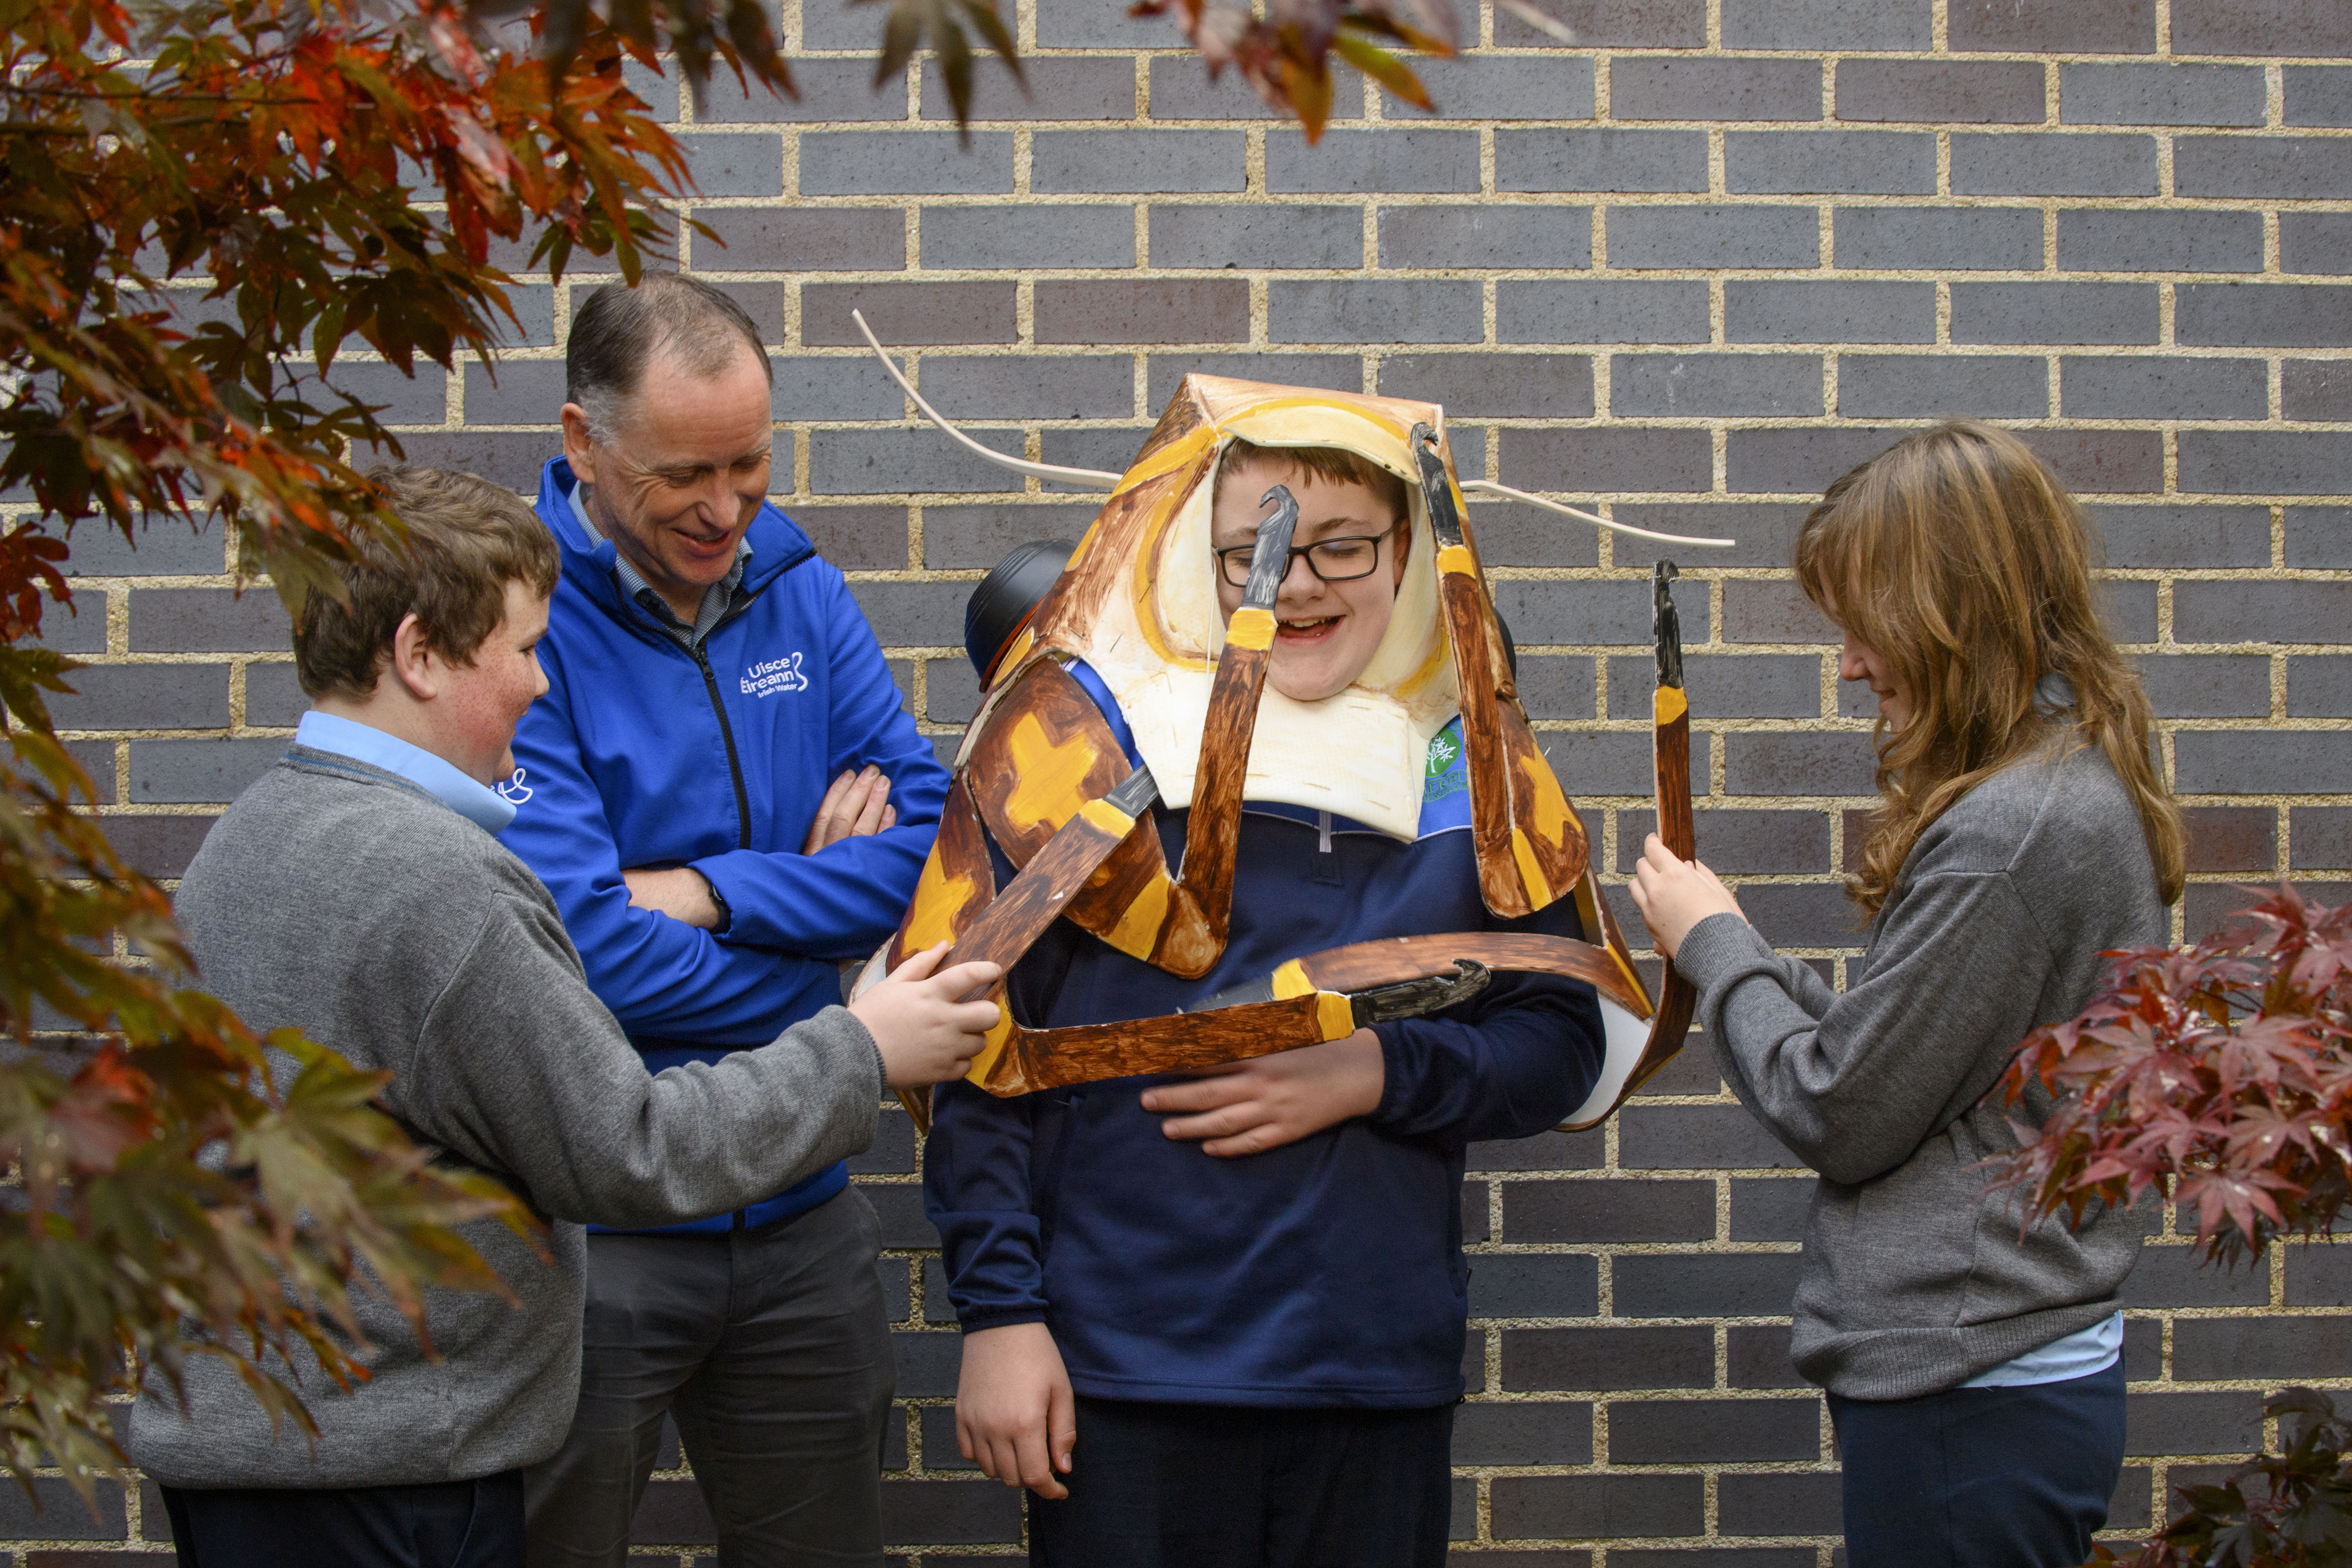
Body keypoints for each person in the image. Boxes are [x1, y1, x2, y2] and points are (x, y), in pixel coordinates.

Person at [127, 465, 999, 1568]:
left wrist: (706, 903)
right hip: (395, 1479)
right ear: (419, 655)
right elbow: (625, 1148)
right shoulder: (437, 879)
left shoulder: (246, 837)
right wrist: (857, 1039)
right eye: (526, 649)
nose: (544, 687)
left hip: (270, 1454)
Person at [924, 431, 1607, 1568]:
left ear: (1408, 553)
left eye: (1338, 547)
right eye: (1257, 550)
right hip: (1122, 1369)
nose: (1294, 583)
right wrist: (1000, 1313)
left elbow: (1560, 1037)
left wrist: (1377, 1073)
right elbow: (980, 1046)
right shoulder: (1091, 758)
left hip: (1366, 1371)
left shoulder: (1476, 770)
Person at [1628, 421, 2185, 1568]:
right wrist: (1744, 953)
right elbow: (1909, 1058)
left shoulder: (2010, 831)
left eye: (1860, 620)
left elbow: (1845, 1109)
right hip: (1990, 1372)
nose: (1847, 661)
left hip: (1970, 1381)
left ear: (1948, 607)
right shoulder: (2047, 790)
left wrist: (1715, 945)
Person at [495, 273, 955, 1567]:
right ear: (586, 443)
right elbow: (582, 955)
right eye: (684, 472)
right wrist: (835, 994)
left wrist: (713, 889)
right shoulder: (521, 624)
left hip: (801, 1214)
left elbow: (932, 851)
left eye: (751, 461)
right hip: (599, 1227)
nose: (724, 507)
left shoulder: (798, 583)